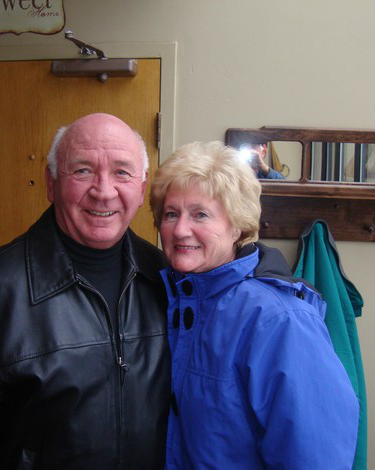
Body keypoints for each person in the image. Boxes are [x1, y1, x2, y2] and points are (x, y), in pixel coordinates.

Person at [0, 113, 171, 469]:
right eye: (82, 170)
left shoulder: (168, 280)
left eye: (122, 172)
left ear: (142, 188)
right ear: (51, 184)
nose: (103, 191)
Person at [149, 141, 359, 469]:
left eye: (200, 214)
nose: (180, 230)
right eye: (171, 214)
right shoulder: (172, 299)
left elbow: (316, 458)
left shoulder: (279, 319)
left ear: (238, 226)